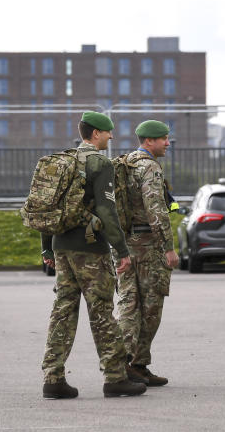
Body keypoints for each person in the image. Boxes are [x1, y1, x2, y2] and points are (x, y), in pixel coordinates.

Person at [40, 111, 147, 399]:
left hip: (61, 246)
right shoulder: (100, 163)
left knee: (62, 310)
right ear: (96, 133)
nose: (111, 137)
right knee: (101, 311)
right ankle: (115, 377)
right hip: (90, 250)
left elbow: (48, 209)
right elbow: (106, 210)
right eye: (108, 132)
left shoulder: (63, 161)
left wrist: (47, 247)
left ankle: (53, 378)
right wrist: (122, 250)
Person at [116, 120, 179, 387]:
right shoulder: (149, 167)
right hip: (147, 245)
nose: (167, 143)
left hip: (126, 242)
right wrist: (169, 247)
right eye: (164, 139)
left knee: (129, 303)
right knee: (149, 308)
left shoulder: (126, 163)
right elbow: (156, 210)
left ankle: (133, 366)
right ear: (149, 141)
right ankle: (129, 365)